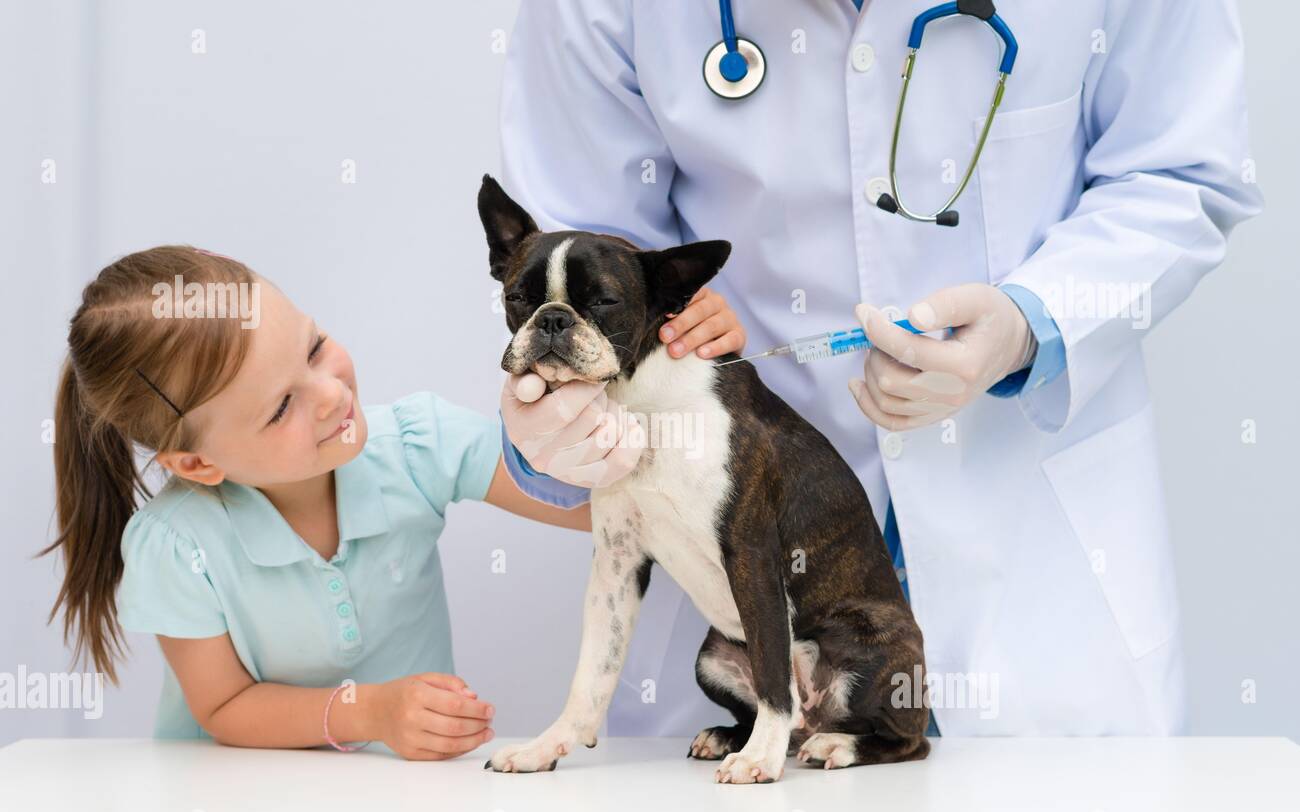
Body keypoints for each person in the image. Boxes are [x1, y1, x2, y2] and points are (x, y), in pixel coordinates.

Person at [495, 0, 1263, 736]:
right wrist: (562, 429)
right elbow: (573, 266)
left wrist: (1031, 321)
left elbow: (1180, 170)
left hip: (1038, 587)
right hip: (724, 592)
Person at [39, 245, 746, 758]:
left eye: (314, 346)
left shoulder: (416, 442)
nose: (331, 394)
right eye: (282, 405)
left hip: (398, 810)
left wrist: (677, 373)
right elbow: (223, 706)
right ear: (195, 461)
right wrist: (366, 710)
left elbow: (601, 507)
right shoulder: (175, 545)